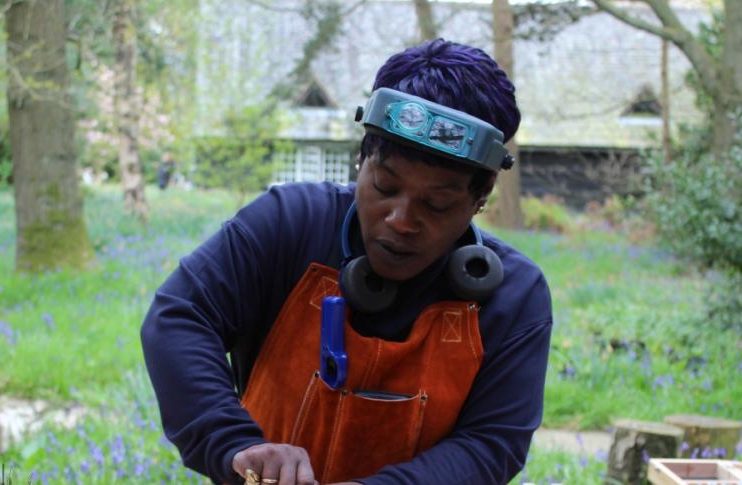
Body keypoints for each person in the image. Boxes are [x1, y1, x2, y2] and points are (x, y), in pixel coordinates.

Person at [141, 39, 552, 485]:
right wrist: (235, 443)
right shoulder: (288, 225)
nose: (400, 221)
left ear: (480, 197)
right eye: (384, 186)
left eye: (436, 205)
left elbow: (491, 444)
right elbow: (181, 316)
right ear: (361, 160)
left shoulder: (515, 297)